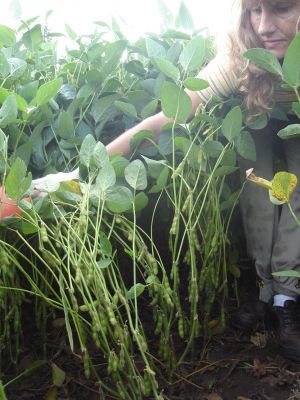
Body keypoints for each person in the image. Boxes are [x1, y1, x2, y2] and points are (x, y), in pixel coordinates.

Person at [4, 0, 300, 361]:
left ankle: (288, 296)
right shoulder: (241, 58)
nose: (264, 25)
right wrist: (81, 174)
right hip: (260, 113)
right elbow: (169, 117)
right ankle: (264, 289)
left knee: (298, 193)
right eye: (254, 11)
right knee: (257, 187)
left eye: (281, 9)